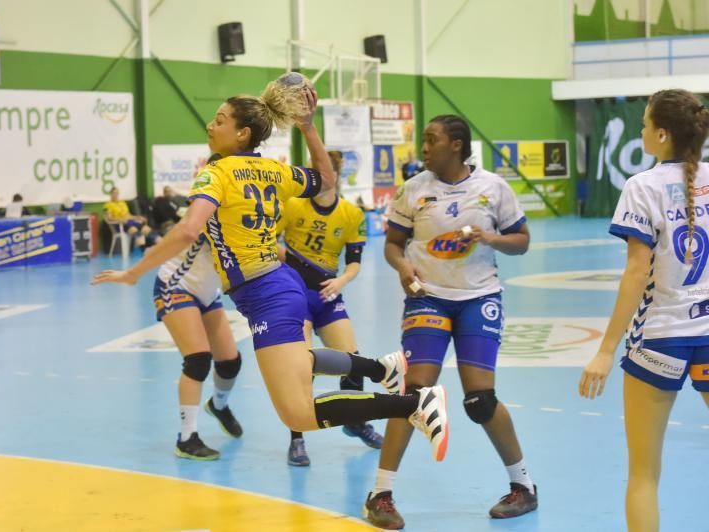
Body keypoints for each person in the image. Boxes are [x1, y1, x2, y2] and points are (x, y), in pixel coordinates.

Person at [92, 75, 449, 465]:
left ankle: (414, 405)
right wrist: (308, 127)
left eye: (220, 119)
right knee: (300, 362)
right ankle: (382, 368)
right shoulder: (274, 172)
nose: (211, 126)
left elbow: (189, 229)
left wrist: (134, 272)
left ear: (242, 133)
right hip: (282, 286)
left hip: (266, 295)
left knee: (297, 412)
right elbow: (326, 180)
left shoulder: (217, 173)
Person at [363, 115, 536, 529]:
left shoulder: (493, 187)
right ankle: (380, 495)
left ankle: (523, 487)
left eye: (431, 140)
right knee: (414, 394)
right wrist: (403, 268)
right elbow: (391, 244)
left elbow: (522, 241)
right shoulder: (414, 189)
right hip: (429, 298)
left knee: (480, 402)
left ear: (456, 144)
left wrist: (489, 238)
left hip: (479, 298)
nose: (423, 147)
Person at [580, 89, 709, 532]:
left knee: (643, 474)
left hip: (659, 338)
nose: (639, 132)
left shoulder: (642, 186)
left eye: (643, 124)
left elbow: (637, 273)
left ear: (660, 133)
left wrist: (604, 351)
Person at [277, 150, 383, 466]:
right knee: (302, 365)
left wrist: (341, 282)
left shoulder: (351, 214)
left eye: (325, 172)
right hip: (296, 295)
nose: (320, 177)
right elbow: (266, 238)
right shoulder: (293, 205)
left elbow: (354, 263)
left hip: (327, 294)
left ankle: (355, 422)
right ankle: (297, 439)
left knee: (353, 358)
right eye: (315, 170)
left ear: (335, 175)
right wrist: (288, 262)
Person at [153, 223, 244, 460]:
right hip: (175, 286)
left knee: (230, 362)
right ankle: (186, 438)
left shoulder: (250, 211)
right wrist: (134, 272)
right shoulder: (210, 207)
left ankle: (219, 405)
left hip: (207, 292)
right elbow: (182, 232)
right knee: (198, 359)